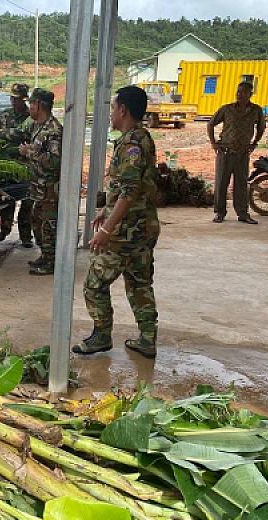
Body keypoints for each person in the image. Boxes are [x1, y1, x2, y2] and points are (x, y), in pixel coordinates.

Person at [73, 86, 160, 358]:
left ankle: (101, 335)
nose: (111, 113)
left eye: (113, 108)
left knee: (94, 283)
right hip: (142, 228)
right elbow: (131, 189)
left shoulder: (131, 145)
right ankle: (147, 339)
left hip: (125, 233)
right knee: (139, 283)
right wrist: (106, 211)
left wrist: (107, 229)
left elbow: (129, 192)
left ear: (123, 110)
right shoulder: (141, 138)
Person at [0, 88, 62, 275]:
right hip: (38, 185)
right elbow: (18, 133)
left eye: (32, 104)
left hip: (50, 188)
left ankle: (52, 262)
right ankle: (45, 255)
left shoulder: (53, 131)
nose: (29, 107)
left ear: (40, 106)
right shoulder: (36, 125)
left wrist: (30, 152)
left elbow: (54, 162)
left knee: (49, 224)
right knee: (37, 220)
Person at [207, 81, 265, 224]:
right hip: (225, 152)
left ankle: (243, 214)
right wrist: (214, 143)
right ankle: (219, 213)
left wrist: (254, 143)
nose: (240, 94)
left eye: (243, 92)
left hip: (243, 153)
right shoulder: (227, 109)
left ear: (250, 94)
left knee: (241, 184)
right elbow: (210, 124)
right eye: (238, 91)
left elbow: (261, 127)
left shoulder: (256, 110)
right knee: (221, 183)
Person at [0, 83, 34, 247]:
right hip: (7, 165)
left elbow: (29, 136)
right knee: (6, 199)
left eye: (16, 99)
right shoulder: (4, 116)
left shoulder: (31, 116)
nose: (13, 101)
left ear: (23, 99)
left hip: (26, 165)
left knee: (27, 202)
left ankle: (25, 236)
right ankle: (4, 228)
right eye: (11, 98)